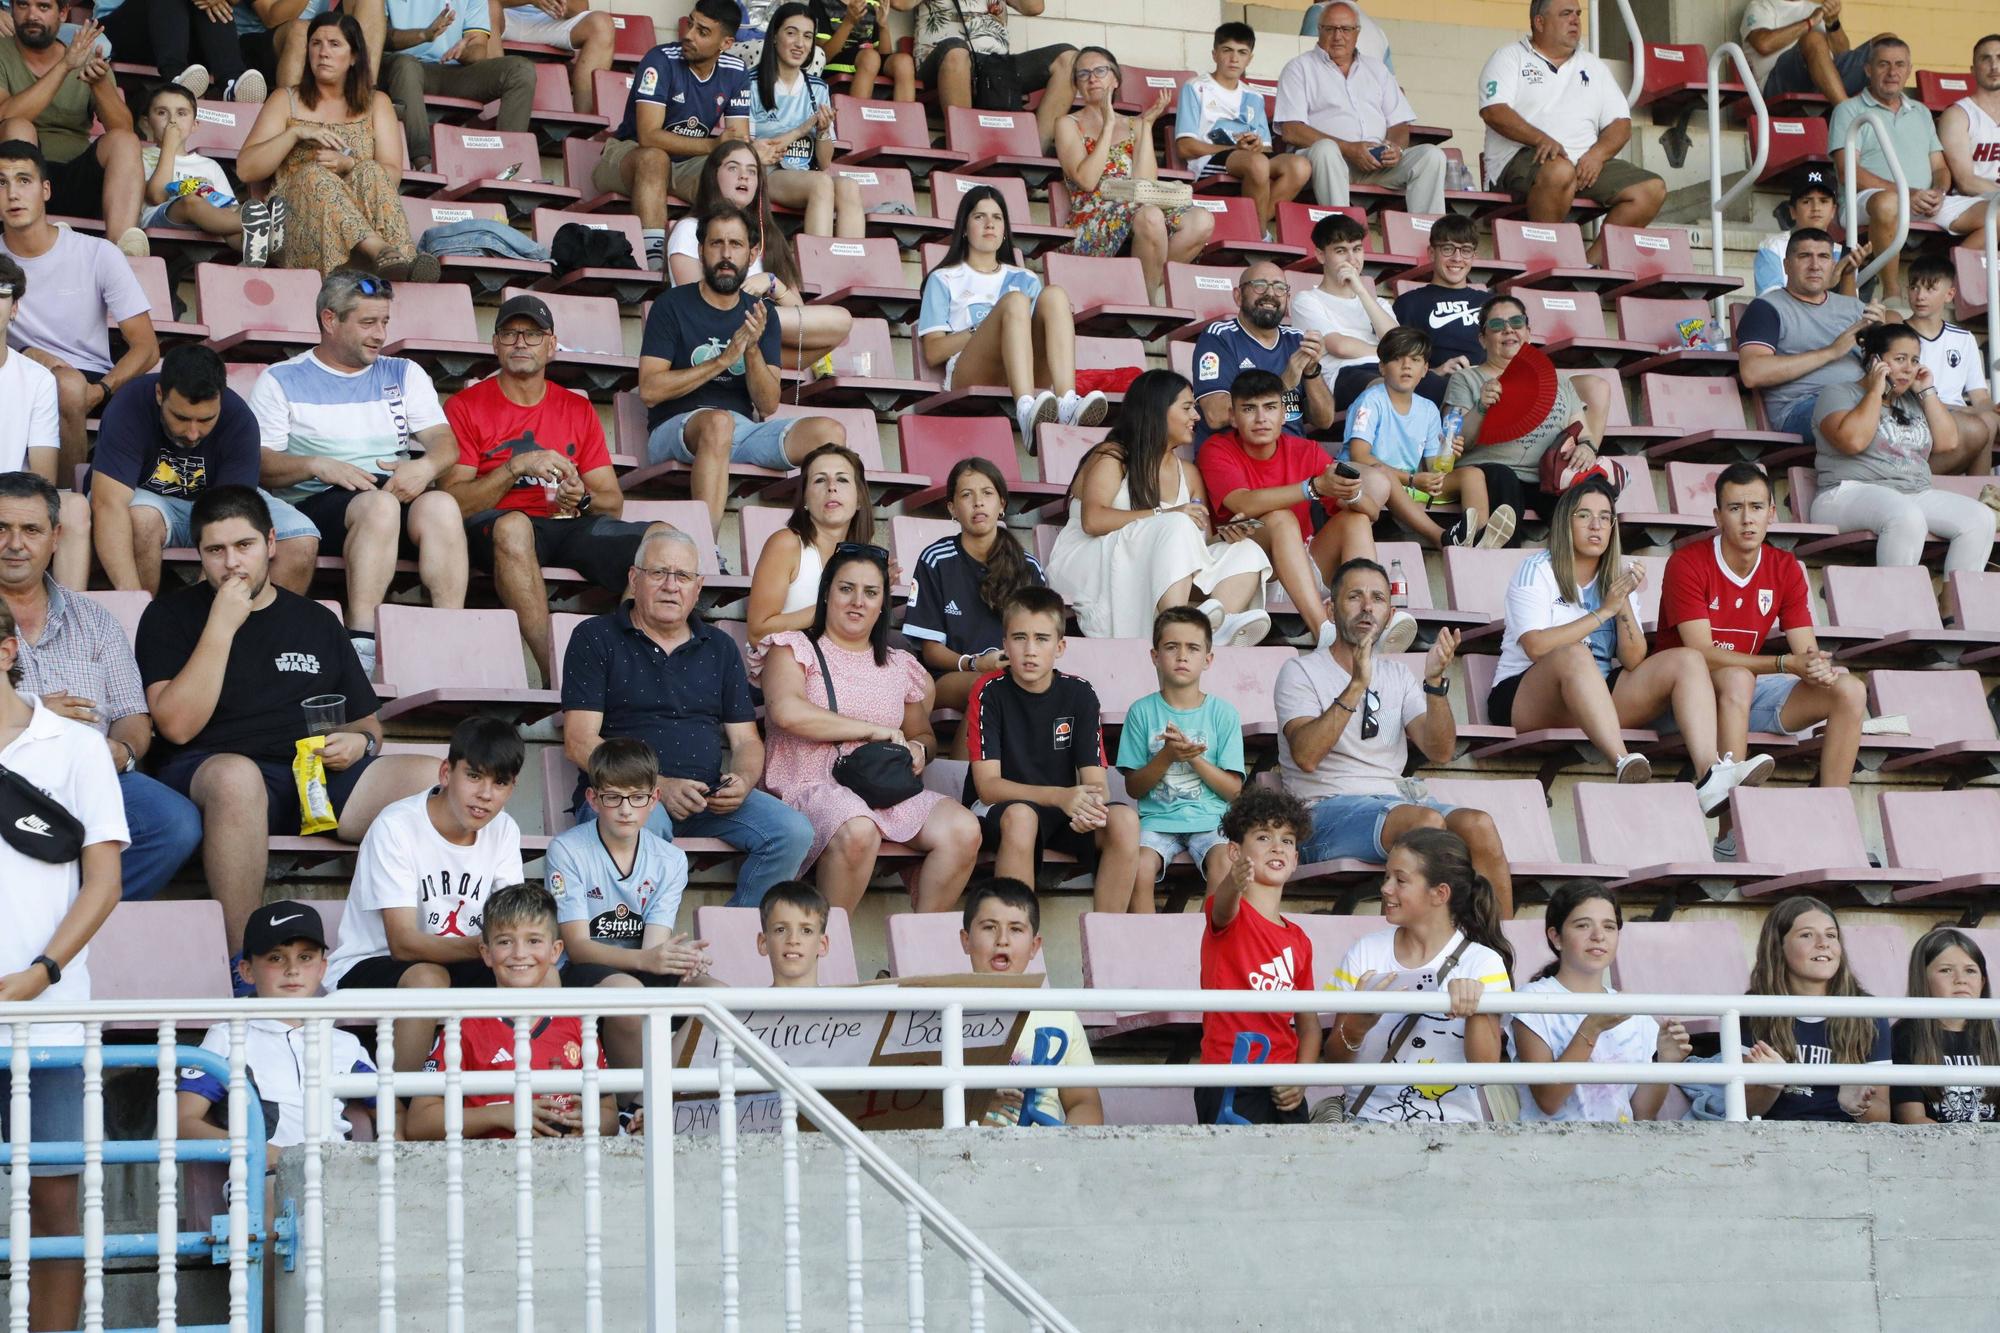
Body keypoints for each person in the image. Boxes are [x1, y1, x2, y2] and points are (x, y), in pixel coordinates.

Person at [135, 486, 435, 954]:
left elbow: (367, 725)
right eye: (216, 550)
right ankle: (245, 963)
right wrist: (221, 625)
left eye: (244, 546)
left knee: (436, 778)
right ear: (198, 556)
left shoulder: (314, 620)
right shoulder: (169, 616)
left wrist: (360, 745)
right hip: (211, 774)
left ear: (271, 544)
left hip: (312, 775)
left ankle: (421, 940)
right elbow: (175, 727)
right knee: (238, 777)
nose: (232, 563)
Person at [561, 525, 814, 908]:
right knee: (647, 826)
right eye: (658, 573)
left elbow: (746, 740)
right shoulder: (595, 637)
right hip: (627, 796)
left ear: (697, 588)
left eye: (683, 576)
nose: (670, 586)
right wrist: (657, 786)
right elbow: (579, 742)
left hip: (705, 796)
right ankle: (639, 952)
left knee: (792, 831)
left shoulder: (720, 647)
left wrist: (743, 781)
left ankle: (739, 936)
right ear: (634, 579)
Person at [1485, 478, 1775, 810]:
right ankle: (1622, 760)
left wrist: (1620, 601)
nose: (1596, 526)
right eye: (1584, 516)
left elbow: (1634, 659)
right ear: (1566, 522)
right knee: (1576, 656)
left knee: (1688, 659)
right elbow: (1535, 647)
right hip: (1527, 694)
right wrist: (1602, 611)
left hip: (1595, 694)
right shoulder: (1537, 570)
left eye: (1605, 517)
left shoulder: (1617, 576)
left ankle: (1710, 774)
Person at [0, 592, 127, 1333]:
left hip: (51, 1013)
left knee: (54, 1200)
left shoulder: (76, 745)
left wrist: (42, 972)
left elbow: (104, 881)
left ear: (8, 651)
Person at [252, 268, 468, 677]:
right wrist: (317, 465)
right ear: (329, 320)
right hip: (318, 503)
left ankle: (450, 634)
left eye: (384, 321)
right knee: (380, 507)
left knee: (441, 503)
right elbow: (261, 464)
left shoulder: (404, 373)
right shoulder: (281, 379)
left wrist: (425, 467)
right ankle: (363, 642)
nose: (380, 334)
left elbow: (445, 443)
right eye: (368, 322)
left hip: (390, 491)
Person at [439, 292, 661, 683]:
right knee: (513, 527)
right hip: (499, 525)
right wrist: (515, 467)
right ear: (494, 345)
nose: (521, 342)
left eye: (533, 334)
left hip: (565, 523)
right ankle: (557, 676)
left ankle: (627, 666)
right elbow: (452, 502)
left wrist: (583, 497)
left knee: (661, 539)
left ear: (552, 345)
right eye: (509, 334)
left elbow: (612, 502)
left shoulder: (576, 408)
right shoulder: (464, 406)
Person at [1, 471, 202, 902]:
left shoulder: (94, 620)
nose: (15, 544)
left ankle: (68, 915)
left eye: (31, 530)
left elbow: (133, 714)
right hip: (7, 772)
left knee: (173, 822)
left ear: (55, 538)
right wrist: (32, 718)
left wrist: (123, 751)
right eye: (1, 528)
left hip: (87, 772)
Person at [1276, 557, 1511, 909]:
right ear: (1330, 610)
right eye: (1354, 596)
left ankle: (1501, 956)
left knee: (1479, 825)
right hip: (1322, 813)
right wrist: (1357, 683)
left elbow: (1440, 751)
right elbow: (1307, 757)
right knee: (1426, 823)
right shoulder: (1300, 671)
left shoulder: (1398, 675)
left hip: (1396, 803)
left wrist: (1434, 685)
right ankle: (1432, 939)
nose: (1367, 607)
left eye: (1379, 598)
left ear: (1389, 614)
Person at [761, 543, 981, 912]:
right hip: (809, 784)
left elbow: (922, 734)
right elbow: (786, 711)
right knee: (858, 826)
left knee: (964, 829)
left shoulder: (898, 665)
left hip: (881, 786)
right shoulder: (793, 647)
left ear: (882, 605)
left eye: (871, 592)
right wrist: (870, 729)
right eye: (846, 589)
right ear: (826, 594)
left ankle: (918, 953)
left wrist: (919, 751)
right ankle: (832, 951)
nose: (857, 602)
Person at [1656, 463, 1865, 840]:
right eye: (1735, 508)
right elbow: (1700, 653)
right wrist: (1785, 662)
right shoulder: (1686, 563)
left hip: (1744, 694)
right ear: (1718, 516)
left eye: (1756, 507)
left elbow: (1806, 649)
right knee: (1737, 678)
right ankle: (1731, 836)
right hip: (1686, 703)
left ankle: (1837, 828)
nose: (1747, 519)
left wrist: (1817, 668)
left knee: (1849, 689)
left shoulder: (1784, 567)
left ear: (1772, 512)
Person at [323, 715, 527, 1069]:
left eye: (500, 782)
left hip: (462, 959)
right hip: (373, 962)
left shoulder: (504, 829)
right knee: (429, 979)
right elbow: (402, 943)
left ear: (512, 789)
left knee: (540, 973)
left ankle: (530, 1098)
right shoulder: (396, 826)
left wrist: (512, 949)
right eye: (474, 776)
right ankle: (403, 1107)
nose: (485, 794)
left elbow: (514, 923)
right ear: (446, 773)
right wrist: (490, 946)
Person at [637, 203, 846, 535]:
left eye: (735, 245)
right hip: (674, 427)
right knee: (718, 424)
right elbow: (649, 391)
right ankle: (707, 549)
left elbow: (767, 404)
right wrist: (721, 360)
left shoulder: (761, 313)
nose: (725, 254)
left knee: (830, 434)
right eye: (716, 243)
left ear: (752, 256)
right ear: (702, 250)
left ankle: (823, 550)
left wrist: (750, 350)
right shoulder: (671, 306)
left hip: (740, 429)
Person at [1049, 370, 1273, 643]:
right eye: (1188, 408)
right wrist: (1165, 514)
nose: (1197, 417)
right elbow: (1093, 521)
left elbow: (1195, 545)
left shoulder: (1189, 473)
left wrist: (1224, 537)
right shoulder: (1112, 455)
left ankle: (1209, 630)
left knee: (1245, 551)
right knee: (1177, 524)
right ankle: (1176, 632)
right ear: (1157, 410)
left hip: (1155, 564)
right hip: (1090, 561)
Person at [1197, 370, 1410, 654]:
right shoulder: (1216, 449)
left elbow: (1370, 513)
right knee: (1280, 517)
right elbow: (1242, 504)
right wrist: (1312, 487)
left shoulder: (1305, 450)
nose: (1261, 418)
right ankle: (1325, 632)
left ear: (1284, 415)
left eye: (1270, 408)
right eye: (1249, 409)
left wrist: (1351, 492)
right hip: (1249, 575)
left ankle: (1368, 620)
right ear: (1233, 417)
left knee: (1354, 520)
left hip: (1304, 571)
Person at [89, 344, 319, 597]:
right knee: (140, 519)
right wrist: (130, 599)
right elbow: (109, 504)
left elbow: (232, 514)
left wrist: (202, 610)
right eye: (181, 417)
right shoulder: (129, 404)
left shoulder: (239, 418)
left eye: (206, 420)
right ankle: (142, 625)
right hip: (148, 499)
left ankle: (248, 634)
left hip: (218, 503)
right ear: (159, 394)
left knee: (301, 537)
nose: (193, 433)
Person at [964, 586, 1142, 911]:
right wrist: (1062, 796)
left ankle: (1103, 947)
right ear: (1004, 643)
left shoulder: (1080, 693)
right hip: (1001, 811)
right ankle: (1018, 946)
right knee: (1022, 817)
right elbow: (988, 788)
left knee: (1124, 821)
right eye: (1019, 638)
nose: (1030, 650)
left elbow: (1096, 781)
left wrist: (1091, 807)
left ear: (1060, 646)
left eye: (1042, 639)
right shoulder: (988, 691)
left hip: (1061, 813)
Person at [404, 883, 620, 1142]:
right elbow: (419, 1122)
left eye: (534, 941)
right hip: (488, 1172)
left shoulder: (579, 1025)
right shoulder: (464, 1028)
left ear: (555, 951)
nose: (519, 954)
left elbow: (609, 1114)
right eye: (505, 941)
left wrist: (588, 1121)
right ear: (486, 953)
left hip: (565, 1171)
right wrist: (504, 1115)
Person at [1324, 827, 1510, 1122]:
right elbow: (1333, 1062)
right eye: (1387, 877)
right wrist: (1357, 1025)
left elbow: (1484, 1069)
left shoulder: (1483, 963)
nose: (1385, 888)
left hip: (1454, 1130)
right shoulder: (1364, 952)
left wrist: (1475, 1010)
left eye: (1401, 880)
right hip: (1367, 1123)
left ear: (1440, 893)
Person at [0, 138, 158, 483]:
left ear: (45, 190)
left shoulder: (97, 253)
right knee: (62, 383)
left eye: (23, 181)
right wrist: (26, 353)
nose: (12, 193)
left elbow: (147, 347)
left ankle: (66, 503)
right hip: (13, 371)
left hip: (93, 379)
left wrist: (101, 388)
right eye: (1, 183)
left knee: (69, 384)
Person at [176, 901, 377, 1172]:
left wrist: (392, 1147)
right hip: (264, 1177)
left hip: (338, 1175)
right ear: (246, 970)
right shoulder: (227, 1037)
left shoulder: (345, 1044)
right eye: (275, 957)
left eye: (305, 958)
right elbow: (181, 1121)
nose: (292, 969)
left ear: (322, 968)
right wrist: (254, 1149)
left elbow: (391, 1109)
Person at [237, 11, 434, 279]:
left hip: (357, 215)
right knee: (315, 174)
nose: (323, 52)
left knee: (372, 171)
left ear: (354, 56)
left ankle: (396, 258)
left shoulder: (377, 103)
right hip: (295, 225)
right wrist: (294, 133)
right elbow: (246, 170)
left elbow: (392, 176)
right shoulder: (286, 100)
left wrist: (348, 164)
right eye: (316, 44)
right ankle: (387, 253)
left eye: (334, 44)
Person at [1477, 0, 1665, 263]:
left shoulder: (1593, 66)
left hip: (1584, 164)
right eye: (1565, 14)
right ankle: (1546, 261)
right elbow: (1493, 111)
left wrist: (1598, 155)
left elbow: (1620, 123)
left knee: (1651, 189)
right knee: (1559, 170)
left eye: (1577, 14)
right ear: (1539, 22)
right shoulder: (1509, 57)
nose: (1575, 20)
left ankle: (1586, 265)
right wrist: (1541, 138)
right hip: (1521, 158)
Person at [918, 185, 1106, 448]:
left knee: (1055, 296)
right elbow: (933, 351)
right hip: (970, 370)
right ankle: (1026, 410)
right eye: (979, 216)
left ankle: (1066, 402)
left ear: (1005, 229)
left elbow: (1034, 336)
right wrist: (985, 328)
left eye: (997, 218)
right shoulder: (943, 279)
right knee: (1015, 302)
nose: (989, 224)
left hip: (1025, 369)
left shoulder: (1025, 278)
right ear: (964, 227)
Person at [1810, 321, 1995, 573]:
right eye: (1900, 359)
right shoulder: (1839, 394)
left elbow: (1949, 442)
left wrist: (1927, 390)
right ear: (1875, 360)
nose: (1909, 369)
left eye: (1915, 360)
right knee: (1906, 516)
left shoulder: (1913, 400)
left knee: (1980, 518)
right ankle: (1899, 607)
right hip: (1845, 493)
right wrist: (1876, 390)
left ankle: (1953, 608)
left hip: (1913, 493)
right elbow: (1853, 441)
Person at [1830, 37, 1996, 303]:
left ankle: (1946, 282)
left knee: (1997, 212)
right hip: (1867, 199)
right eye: (1883, 64)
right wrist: (1907, 193)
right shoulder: (1848, 110)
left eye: (1899, 65)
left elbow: (1940, 167)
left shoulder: (1920, 111)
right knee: (1887, 203)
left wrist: (1939, 191)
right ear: (1868, 70)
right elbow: (1847, 173)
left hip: (1923, 200)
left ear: (1909, 70)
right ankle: (1893, 292)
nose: (1892, 72)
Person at [665, 140, 853, 372]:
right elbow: (696, 304)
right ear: (713, 176)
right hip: (709, 337)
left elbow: (800, 311)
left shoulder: (769, 237)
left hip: (758, 341)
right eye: (733, 168)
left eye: (752, 171)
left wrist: (771, 282)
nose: (743, 176)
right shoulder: (689, 229)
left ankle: (755, 357)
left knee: (842, 319)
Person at [1511, 883, 1691, 1122]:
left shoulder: (1634, 1014)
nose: (1598, 936)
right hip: (1552, 1152)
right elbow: (1549, 1100)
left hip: (1618, 1152)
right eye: (1583, 925)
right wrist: (1591, 1028)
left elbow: (1642, 1113)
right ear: (1556, 937)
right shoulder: (1532, 1002)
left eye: (1609, 926)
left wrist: (1665, 1063)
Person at [595, 0, 752, 273]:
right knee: (655, 159)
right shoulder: (660, 59)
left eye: (702, 32)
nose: (688, 34)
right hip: (628, 155)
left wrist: (748, 150)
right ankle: (653, 264)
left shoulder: (736, 71)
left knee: (734, 171)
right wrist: (714, 145)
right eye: (690, 23)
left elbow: (738, 140)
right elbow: (648, 136)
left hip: (686, 162)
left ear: (725, 44)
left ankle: (727, 267)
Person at [1055, 45, 1214, 302]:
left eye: (1100, 71)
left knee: (1202, 220)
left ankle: (1138, 288)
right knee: (1150, 215)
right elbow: (1086, 180)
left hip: (1135, 208)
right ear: (1077, 85)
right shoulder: (1067, 124)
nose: (1092, 78)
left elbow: (1145, 185)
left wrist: (1146, 128)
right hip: (1092, 217)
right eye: (1083, 74)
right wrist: (1107, 125)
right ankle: (1147, 302)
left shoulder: (1135, 124)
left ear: (1115, 79)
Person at [548, 737, 706, 994]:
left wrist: (679, 959)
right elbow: (577, 948)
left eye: (637, 797)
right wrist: (648, 960)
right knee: (628, 989)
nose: (625, 810)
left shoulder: (671, 860)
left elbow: (653, 948)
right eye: (613, 797)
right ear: (593, 799)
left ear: (654, 799)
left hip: (641, 968)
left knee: (714, 991)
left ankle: (677, 1037)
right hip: (581, 971)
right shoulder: (567, 851)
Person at [1197, 787, 1317, 1125]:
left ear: (1295, 860)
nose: (1278, 846)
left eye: (1288, 840)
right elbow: (1222, 907)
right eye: (1263, 837)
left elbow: (1308, 1027)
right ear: (1235, 852)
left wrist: (1300, 1079)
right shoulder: (1228, 913)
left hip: (1283, 1085)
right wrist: (1232, 883)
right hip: (1228, 1075)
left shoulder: (1300, 941)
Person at [1441, 292, 1609, 529]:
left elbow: (1583, 433)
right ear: (1482, 338)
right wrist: (1481, 407)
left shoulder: (1557, 379)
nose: (1508, 330)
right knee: (1503, 478)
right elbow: (1454, 443)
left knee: (1592, 494)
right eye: (1497, 325)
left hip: (1547, 477)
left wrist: (1587, 448)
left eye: (1517, 322)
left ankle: (1584, 564)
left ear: (1528, 332)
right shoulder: (1465, 379)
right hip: (1493, 474)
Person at [1115, 606, 1244, 908]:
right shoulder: (1141, 712)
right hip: (1156, 821)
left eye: (1193, 648)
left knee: (1226, 864)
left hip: (1212, 821)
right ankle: (1145, 952)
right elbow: (1134, 787)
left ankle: (1208, 947)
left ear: (1208, 659)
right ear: (1155, 656)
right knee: (1138, 867)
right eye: (1171, 647)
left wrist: (1193, 758)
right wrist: (1167, 756)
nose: (1182, 656)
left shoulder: (1223, 713)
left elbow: (1234, 790)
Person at [1344, 327, 1515, 550]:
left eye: (1415, 360)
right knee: (1384, 473)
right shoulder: (1371, 400)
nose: (1406, 366)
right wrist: (1413, 480)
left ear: (1425, 369)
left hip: (1410, 483)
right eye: (1397, 359)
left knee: (1472, 475)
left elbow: (1435, 470)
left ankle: (1478, 539)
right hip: (1366, 480)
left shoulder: (1428, 409)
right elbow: (1359, 456)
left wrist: (1448, 453)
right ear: (1382, 368)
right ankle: (1441, 537)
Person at [904, 456, 1047, 718]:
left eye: (987, 493)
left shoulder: (1028, 567)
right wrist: (975, 663)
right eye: (967, 495)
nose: (978, 502)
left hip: (1016, 674)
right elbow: (931, 651)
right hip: (951, 676)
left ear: (1001, 503)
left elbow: (1041, 638)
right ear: (952, 508)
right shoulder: (936, 559)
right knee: (992, 687)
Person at [0, 2, 146, 254]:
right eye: (23, 4)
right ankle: (24, 239)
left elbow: (123, 129)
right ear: (11, 9)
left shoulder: (84, 57)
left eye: (43, 6)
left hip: (76, 179)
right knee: (18, 127)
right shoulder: (3, 53)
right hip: (18, 179)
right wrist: (64, 66)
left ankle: (120, 252)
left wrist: (99, 85)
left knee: (125, 142)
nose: (32, 14)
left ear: (63, 14)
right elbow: (6, 114)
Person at [1275, 1, 1442, 217]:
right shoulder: (1299, 68)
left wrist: (1396, 148)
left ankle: (1432, 236)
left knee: (1431, 155)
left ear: (1357, 32)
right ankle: (1340, 234)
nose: (1338, 36)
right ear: (1318, 30)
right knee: (1326, 149)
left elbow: (1399, 123)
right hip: (1327, 164)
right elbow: (1291, 130)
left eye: (1345, 29)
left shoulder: (1377, 69)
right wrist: (1349, 148)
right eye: (1330, 29)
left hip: (1376, 162)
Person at [961, 878, 1104, 1127]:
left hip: (1044, 1155)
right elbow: (916, 1106)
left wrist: (1059, 1147)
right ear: (966, 940)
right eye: (989, 927)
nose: (1002, 940)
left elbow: (1085, 1103)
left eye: (1016, 929)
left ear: (1034, 946)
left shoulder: (1059, 1014)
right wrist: (972, 1107)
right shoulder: (939, 1013)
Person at [1743, 895, 1890, 1122]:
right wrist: (1771, 1085)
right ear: (1778, 946)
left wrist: (1856, 1106)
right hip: (1774, 1142)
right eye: (1807, 935)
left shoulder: (1867, 1012)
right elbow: (1742, 1110)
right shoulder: (1753, 1008)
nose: (1823, 943)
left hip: (1849, 1142)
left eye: (1831, 935)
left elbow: (1883, 1118)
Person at [1737, 228, 1881, 442]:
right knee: (1868, 423)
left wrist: (1883, 336)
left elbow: (1883, 362)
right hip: (1803, 406)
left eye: (1823, 257)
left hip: (1863, 396)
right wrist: (1831, 351)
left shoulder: (1854, 307)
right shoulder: (1767, 308)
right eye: (1804, 256)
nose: (1815, 265)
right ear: (1786, 265)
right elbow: (1752, 373)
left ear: (1833, 265)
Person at [1175, 23, 1310, 239]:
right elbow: (1184, 147)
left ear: (1250, 58)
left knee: (1300, 166)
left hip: (1247, 158)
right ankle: (1258, 236)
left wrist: (1257, 145)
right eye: (1227, 50)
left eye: (1242, 52)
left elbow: (1266, 146)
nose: (1234, 59)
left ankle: (1254, 227)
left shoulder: (1254, 96)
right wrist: (1233, 147)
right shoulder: (1196, 87)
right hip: (1209, 160)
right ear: (1215, 54)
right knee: (1257, 163)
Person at [745, 441, 873, 667]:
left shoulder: (868, 559)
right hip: (790, 671)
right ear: (804, 498)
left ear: (860, 499)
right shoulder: (786, 544)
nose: (831, 487)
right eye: (820, 480)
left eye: (842, 479)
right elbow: (757, 632)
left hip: (847, 670)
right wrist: (831, 609)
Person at [376, 0, 536, 175]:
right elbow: (378, 35)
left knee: (521, 70)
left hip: (452, 69)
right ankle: (424, 163)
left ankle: (508, 169)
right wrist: (423, 34)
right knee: (406, 65)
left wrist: (462, 52)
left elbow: (478, 49)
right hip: (401, 69)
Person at [895, 0, 1076, 151]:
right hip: (943, 59)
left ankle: (1035, 150)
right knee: (956, 52)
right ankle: (964, 148)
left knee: (1070, 59)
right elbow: (899, 4)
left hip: (996, 66)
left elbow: (1034, 7)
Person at [0, 253, 81, 586]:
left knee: (74, 506)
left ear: (15, 307)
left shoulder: (37, 379)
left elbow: (43, 476)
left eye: (1, 295)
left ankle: (72, 622)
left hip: (12, 498)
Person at [749, 5, 862, 239]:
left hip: (807, 174)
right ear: (774, 36)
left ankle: (849, 267)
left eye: (807, 36)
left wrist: (821, 131)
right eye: (791, 33)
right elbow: (745, 150)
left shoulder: (818, 88)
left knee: (849, 186)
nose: (800, 43)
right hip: (765, 173)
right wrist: (801, 129)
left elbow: (825, 161)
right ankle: (819, 269)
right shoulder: (750, 83)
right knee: (821, 183)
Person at [140, 82, 283, 266]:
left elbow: (227, 206)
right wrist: (168, 147)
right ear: (146, 123)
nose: (172, 120)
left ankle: (256, 245)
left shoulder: (209, 165)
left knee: (232, 211)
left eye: (181, 113)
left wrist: (234, 212)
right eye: (162, 112)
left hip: (211, 223)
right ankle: (261, 223)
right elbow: (156, 196)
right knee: (190, 201)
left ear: (195, 125)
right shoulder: (140, 156)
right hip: (159, 219)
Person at [1190, 261, 1335, 441]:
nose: (1270, 293)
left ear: (1287, 299)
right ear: (1238, 296)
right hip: (1239, 454)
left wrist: (1312, 371)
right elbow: (1215, 414)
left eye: (1280, 287)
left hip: (1293, 453)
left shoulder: (1297, 340)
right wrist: (1282, 385)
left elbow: (1325, 420)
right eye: (1259, 285)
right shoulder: (1220, 337)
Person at [1288, 211, 1398, 411]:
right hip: (1344, 374)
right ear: (1321, 255)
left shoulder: (1377, 303)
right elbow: (1340, 347)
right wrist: (1389, 353)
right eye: (1341, 251)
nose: (1351, 259)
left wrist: (1361, 292)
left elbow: (1398, 342)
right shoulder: (1307, 300)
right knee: (1388, 390)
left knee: (1438, 384)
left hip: (1389, 369)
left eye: (1357, 249)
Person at [1890, 927, 1999, 1125]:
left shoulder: (1996, 1032)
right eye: (1946, 970)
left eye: (1970, 970)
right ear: (1922, 978)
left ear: (1983, 982)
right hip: (1934, 1150)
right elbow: (1911, 1118)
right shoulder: (1905, 1036)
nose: (1961, 980)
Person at [1902, 254, 1999, 474]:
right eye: (1914, 287)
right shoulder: (1899, 334)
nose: (1920, 296)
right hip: (1919, 411)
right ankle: (1978, 494)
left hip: (1959, 413)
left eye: (1929, 289)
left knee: (1990, 418)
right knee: (1984, 423)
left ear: (1949, 295)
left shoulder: (1964, 338)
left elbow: (1980, 397)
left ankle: (1981, 493)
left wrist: (1994, 408)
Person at [94, 0, 269, 103]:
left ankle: (231, 84)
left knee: (213, 4)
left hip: (175, 36)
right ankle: (175, 78)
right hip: (123, 29)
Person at [1390, 212, 1491, 386]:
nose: (1457, 258)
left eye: (1465, 250)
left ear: (1474, 256)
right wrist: (1435, 373)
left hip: (1490, 384)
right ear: (1431, 253)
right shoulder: (1410, 303)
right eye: (1447, 249)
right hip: (1442, 387)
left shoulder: (1492, 303)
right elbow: (1397, 365)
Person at [235, 1, 387, 98]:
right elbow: (272, 18)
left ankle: (364, 91)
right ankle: (292, 115)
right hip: (258, 42)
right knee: (300, 30)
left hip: (315, 38)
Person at [1751, 170, 1863, 296]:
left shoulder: (1844, 255)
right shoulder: (1773, 247)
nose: (1816, 207)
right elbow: (1771, 304)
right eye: (1806, 201)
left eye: (1823, 201)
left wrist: (1848, 275)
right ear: (1792, 211)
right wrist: (1825, 285)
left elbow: (1850, 312)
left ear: (1833, 210)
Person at [495, 1, 618, 115]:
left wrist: (561, 3)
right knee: (487, 6)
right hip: (503, 15)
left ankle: (584, 127)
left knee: (601, 24)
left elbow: (581, 7)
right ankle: (490, 110)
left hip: (548, 19)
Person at [1741, 0, 1874, 105]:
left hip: (1825, 82)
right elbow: (1764, 44)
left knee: (1884, 45)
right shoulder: (1760, 6)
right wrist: (1809, 22)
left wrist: (1832, 23)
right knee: (1813, 38)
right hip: (1774, 85)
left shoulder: (1815, 8)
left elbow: (1843, 54)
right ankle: (1845, 111)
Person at [1939, 35, 2000, 233]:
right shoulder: (1958, 115)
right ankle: (1961, 262)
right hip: (1971, 201)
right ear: (1973, 71)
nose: (1994, 66)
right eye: (1985, 58)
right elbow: (1965, 182)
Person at [810, 0, 914, 103]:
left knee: (904, 62)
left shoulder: (872, 4)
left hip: (869, 62)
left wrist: (883, 26)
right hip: (835, 63)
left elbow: (884, 55)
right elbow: (824, 56)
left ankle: (907, 119)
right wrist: (849, 22)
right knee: (870, 57)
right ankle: (856, 117)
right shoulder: (821, 2)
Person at [759, 879, 830, 986]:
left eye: (806, 931)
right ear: (763, 943)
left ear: (822, 944)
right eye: (780, 930)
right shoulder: (745, 1001)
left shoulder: (844, 1001)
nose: (793, 940)